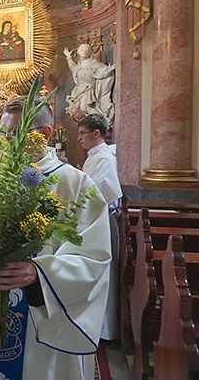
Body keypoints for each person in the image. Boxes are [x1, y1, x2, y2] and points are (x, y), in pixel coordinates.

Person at [0, 96, 111, 380]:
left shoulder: (76, 185)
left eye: (16, 134)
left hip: (44, 312)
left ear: (45, 134)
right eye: (4, 134)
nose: (7, 143)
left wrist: (37, 272)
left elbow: (93, 256)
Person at [77, 113, 122, 341]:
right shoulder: (94, 156)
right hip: (93, 220)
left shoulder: (105, 158)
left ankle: (104, 329)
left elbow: (101, 193)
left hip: (101, 222)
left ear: (96, 133)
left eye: (82, 133)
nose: (79, 139)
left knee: (103, 275)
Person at [64, 43, 116, 127]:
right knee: (78, 109)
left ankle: (102, 120)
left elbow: (101, 72)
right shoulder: (79, 63)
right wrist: (69, 58)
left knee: (85, 107)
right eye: (81, 50)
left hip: (88, 89)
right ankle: (99, 121)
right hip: (79, 89)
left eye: (85, 50)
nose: (83, 52)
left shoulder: (94, 63)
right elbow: (74, 68)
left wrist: (108, 71)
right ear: (78, 52)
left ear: (89, 52)